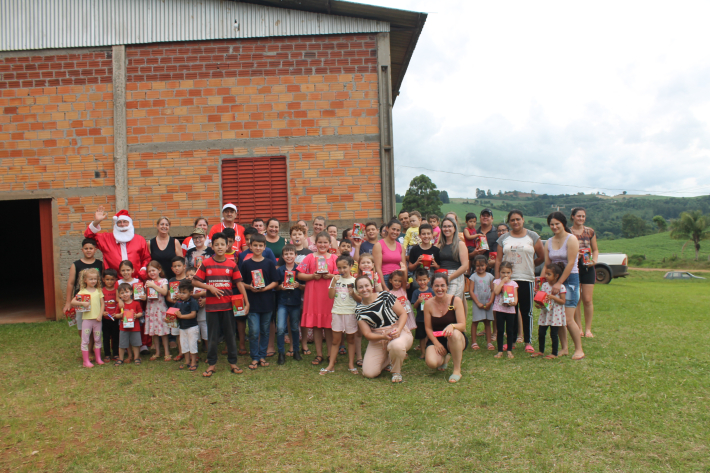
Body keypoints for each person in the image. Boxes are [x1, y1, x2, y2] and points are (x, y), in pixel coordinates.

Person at [192, 232, 250, 377]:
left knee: (230, 335)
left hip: (228, 307)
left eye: (222, 244)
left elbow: (239, 284)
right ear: (212, 246)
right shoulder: (206, 263)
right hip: (211, 308)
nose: (219, 247)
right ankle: (212, 364)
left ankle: (233, 362)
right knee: (213, 337)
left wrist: (247, 302)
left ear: (227, 246)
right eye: (216, 244)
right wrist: (209, 287)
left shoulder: (232, 264)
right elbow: (194, 281)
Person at [494, 210, 544, 353]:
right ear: (509, 222)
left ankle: (528, 341)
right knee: (511, 310)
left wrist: (530, 265)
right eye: (512, 220)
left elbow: (541, 256)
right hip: (508, 281)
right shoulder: (503, 238)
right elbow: (498, 260)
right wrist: (498, 279)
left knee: (527, 311)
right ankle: (512, 340)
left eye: (518, 219)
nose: (515, 222)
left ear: (523, 220)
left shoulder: (532, 236)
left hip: (527, 278)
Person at [354, 275, 413, 383]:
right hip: (378, 337)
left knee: (396, 345)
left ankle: (396, 372)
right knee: (369, 373)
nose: (364, 289)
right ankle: (388, 359)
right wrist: (383, 336)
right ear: (357, 290)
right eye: (360, 287)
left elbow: (403, 314)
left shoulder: (385, 296)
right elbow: (367, 334)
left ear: (372, 285)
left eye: (367, 285)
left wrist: (399, 329)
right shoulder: (359, 310)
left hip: (397, 330)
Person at [544, 212, 585, 360]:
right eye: (552, 224)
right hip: (554, 280)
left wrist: (560, 282)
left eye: (557, 224)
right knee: (558, 318)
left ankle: (579, 349)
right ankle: (564, 348)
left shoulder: (571, 239)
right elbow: (547, 264)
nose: (554, 226)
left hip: (570, 280)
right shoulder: (548, 242)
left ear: (563, 224)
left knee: (568, 318)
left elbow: (571, 263)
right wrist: (544, 282)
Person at [297, 231, 337, 365]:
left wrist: (330, 276)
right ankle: (319, 354)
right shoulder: (309, 257)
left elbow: (340, 276)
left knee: (329, 325)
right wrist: (312, 276)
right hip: (314, 295)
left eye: (325, 242)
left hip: (329, 295)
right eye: (320, 242)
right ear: (315, 244)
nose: (322, 245)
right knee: (317, 326)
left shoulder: (334, 258)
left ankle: (331, 354)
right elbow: (299, 275)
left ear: (329, 244)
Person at [241, 233, 280, 370]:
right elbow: (240, 282)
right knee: (253, 331)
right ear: (250, 246)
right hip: (252, 303)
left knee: (265, 330)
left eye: (260, 245)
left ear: (265, 247)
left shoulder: (269, 263)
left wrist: (265, 288)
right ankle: (255, 357)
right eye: (255, 245)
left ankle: (262, 355)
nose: (258, 248)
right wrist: (249, 287)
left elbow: (275, 282)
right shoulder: (246, 264)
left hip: (267, 302)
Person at [85, 207, 151, 281]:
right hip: (113, 282)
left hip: (135, 280)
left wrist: (143, 269)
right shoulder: (106, 238)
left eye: (125, 221)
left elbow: (146, 258)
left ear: (130, 223)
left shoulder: (140, 239)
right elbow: (88, 236)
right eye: (119, 222)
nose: (122, 224)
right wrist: (96, 222)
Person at [423, 273, 468, 383]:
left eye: (442, 285)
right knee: (432, 363)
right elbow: (428, 328)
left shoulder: (456, 300)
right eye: (436, 286)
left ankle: (457, 370)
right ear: (432, 287)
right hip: (437, 339)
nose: (440, 289)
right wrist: (437, 344)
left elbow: (463, 325)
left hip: (455, 338)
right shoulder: (428, 304)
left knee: (455, 334)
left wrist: (452, 326)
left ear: (447, 286)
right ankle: (445, 357)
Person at [321, 255, 361, 375]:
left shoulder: (355, 281)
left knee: (350, 340)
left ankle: (351, 364)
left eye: (344, 267)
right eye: (339, 267)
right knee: (335, 341)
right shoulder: (335, 279)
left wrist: (353, 293)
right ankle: (331, 364)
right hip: (337, 312)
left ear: (351, 266)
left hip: (350, 313)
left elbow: (360, 299)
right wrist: (333, 282)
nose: (342, 270)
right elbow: (330, 296)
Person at [63, 239, 103, 350]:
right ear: (82, 250)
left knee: (95, 326)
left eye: (91, 248)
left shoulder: (100, 264)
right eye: (86, 248)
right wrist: (68, 302)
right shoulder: (76, 265)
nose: (88, 250)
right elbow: (71, 283)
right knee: (82, 326)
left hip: (95, 300)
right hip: (81, 300)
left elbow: (103, 282)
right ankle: (87, 348)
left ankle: (92, 350)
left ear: (95, 250)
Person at [570, 207, 598, 338]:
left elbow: (595, 249)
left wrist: (594, 261)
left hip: (588, 267)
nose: (581, 218)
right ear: (573, 217)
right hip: (574, 267)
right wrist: (576, 255)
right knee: (577, 299)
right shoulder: (568, 232)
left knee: (587, 299)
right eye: (578, 216)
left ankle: (588, 329)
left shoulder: (590, 231)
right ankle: (579, 327)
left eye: (583, 216)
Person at [531, 263, 567, 359]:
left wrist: (553, 297)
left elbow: (563, 301)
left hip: (555, 314)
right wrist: (539, 305)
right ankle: (540, 351)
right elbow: (543, 298)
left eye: (549, 274)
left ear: (556, 276)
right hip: (545, 313)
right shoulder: (544, 285)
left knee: (553, 334)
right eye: (546, 273)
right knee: (541, 332)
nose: (546, 276)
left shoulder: (561, 287)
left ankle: (554, 353)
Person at [71, 268, 105, 368]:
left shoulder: (98, 291)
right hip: (87, 320)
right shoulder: (82, 292)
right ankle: (85, 361)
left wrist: (100, 315)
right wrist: (82, 303)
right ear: (85, 280)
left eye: (95, 279)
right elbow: (73, 302)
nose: (93, 281)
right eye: (91, 279)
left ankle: (98, 358)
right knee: (85, 340)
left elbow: (102, 304)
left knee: (98, 339)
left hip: (97, 320)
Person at [276, 244, 303, 362]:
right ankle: (281, 353)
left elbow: (305, 286)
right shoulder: (279, 270)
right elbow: (275, 286)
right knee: (280, 328)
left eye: (291, 253)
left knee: (294, 328)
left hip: (295, 303)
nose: (289, 256)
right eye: (286, 254)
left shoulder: (299, 270)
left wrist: (299, 285)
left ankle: (296, 351)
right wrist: (280, 287)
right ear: (282, 256)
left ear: (295, 255)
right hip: (282, 302)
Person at [117, 260, 150, 354]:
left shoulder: (137, 281)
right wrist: (119, 300)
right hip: (125, 309)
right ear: (120, 271)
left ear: (133, 270)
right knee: (125, 327)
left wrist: (144, 297)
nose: (125, 272)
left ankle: (142, 345)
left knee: (139, 326)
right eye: (123, 270)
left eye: (128, 270)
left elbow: (143, 294)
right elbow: (116, 296)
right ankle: (127, 347)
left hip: (136, 308)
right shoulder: (118, 282)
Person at [436, 217, 469, 301]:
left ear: (454, 228)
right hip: (441, 276)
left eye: (449, 226)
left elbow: (465, 266)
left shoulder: (460, 244)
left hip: (455, 277)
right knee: (441, 303)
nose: (447, 229)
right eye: (444, 226)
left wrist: (450, 277)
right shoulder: (440, 246)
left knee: (450, 302)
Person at [144, 261, 170, 361]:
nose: (151, 273)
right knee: (154, 331)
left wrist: (153, 285)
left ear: (159, 270)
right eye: (149, 271)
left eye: (153, 270)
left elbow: (164, 292)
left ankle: (167, 352)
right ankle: (157, 352)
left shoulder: (163, 281)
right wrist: (142, 296)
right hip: (151, 309)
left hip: (160, 309)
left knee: (163, 331)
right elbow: (146, 296)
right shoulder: (148, 282)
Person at [172, 280, 200, 371]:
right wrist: (168, 318)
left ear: (191, 293)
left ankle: (193, 362)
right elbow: (173, 311)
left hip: (192, 327)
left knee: (192, 344)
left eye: (184, 293)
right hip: (182, 327)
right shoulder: (178, 302)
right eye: (180, 292)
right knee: (184, 345)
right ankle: (187, 361)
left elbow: (193, 314)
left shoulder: (193, 302)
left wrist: (181, 316)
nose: (181, 294)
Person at [468, 255, 495, 351]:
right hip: (477, 303)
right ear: (475, 266)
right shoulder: (473, 277)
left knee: (487, 322)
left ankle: (489, 342)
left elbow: (493, 290)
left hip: (488, 303)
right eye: (478, 266)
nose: (480, 268)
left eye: (482, 265)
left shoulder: (490, 276)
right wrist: (477, 303)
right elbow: (471, 291)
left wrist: (490, 302)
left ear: (486, 265)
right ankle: (474, 342)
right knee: (475, 322)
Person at [493, 262, 518, 359]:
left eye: (508, 273)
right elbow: (496, 292)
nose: (505, 275)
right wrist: (502, 282)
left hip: (510, 310)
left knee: (510, 330)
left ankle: (509, 350)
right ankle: (500, 351)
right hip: (499, 309)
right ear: (499, 272)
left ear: (511, 272)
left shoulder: (513, 284)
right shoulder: (496, 282)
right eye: (503, 272)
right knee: (500, 330)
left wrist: (514, 303)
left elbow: (515, 297)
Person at [115, 282, 143, 366]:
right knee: (122, 344)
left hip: (135, 328)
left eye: (126, 292)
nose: (125, 294)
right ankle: (120, 359)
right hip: (123, 328)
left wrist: (136, 315)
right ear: (119, 295)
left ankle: (136, 358)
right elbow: (116, 315)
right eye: (122, 293)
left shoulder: (136, 303)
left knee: (136, 344)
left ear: (131, 292)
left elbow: (141, 313)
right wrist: (120, 315)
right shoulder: (120, 304)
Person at [373, 219, 406, 288]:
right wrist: (384, 286)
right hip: (385, 278)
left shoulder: (401, 246)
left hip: (398, 279)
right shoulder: (379, 245)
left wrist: (404, 286)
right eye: (393, 229)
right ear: (387, 229)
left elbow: (404, 267)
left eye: (398, 230)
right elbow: (378, 268)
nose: (395, 232)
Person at [386, 270, 417, 334]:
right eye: (395, 280)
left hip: (407, 312)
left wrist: (404, 270)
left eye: (400, 281)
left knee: (408, 328)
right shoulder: (390, 293)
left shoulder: (403, 289)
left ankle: (409, 336)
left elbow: (405, 279)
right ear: (390, 281)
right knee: (400, 327)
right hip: (398, 314)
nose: (397, 283)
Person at [185, 266, 208, 353]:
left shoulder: (202, 285)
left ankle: (208, 349)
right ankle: (195, 352)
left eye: (192, 275)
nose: (189, 277)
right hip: (192, 318)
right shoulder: (186, 288)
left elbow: (210, 292)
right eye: (187, 276)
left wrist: (204, 299)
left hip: (203, 316)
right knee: (194, 336)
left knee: (205, 333)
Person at [411, 269, 434, 357]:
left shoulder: (432, 291)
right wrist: (418, 301)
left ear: (428, 279)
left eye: (424, 279)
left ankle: (429, 351)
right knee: (421, 336)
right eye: (420, 280)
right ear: (416, 280)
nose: (422, 282)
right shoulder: (416, 292)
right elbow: (414, 306)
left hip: (430, 318)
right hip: (420, 318)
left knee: (430, 334)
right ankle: (423, 353)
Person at [101, 268, 121, 362]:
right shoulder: (101, 291)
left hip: (115, 318)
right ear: (103, 279)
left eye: (112, 279)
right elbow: (99, 304)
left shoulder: (117, 291)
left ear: (116, 280)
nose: (109, 281)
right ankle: (107, 354)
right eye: (107, 279)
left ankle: (116, 353)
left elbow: (119, 303)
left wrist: (117, 313)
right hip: (105, 319)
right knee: (106, 337)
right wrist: (102, 312)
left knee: (116, 337)